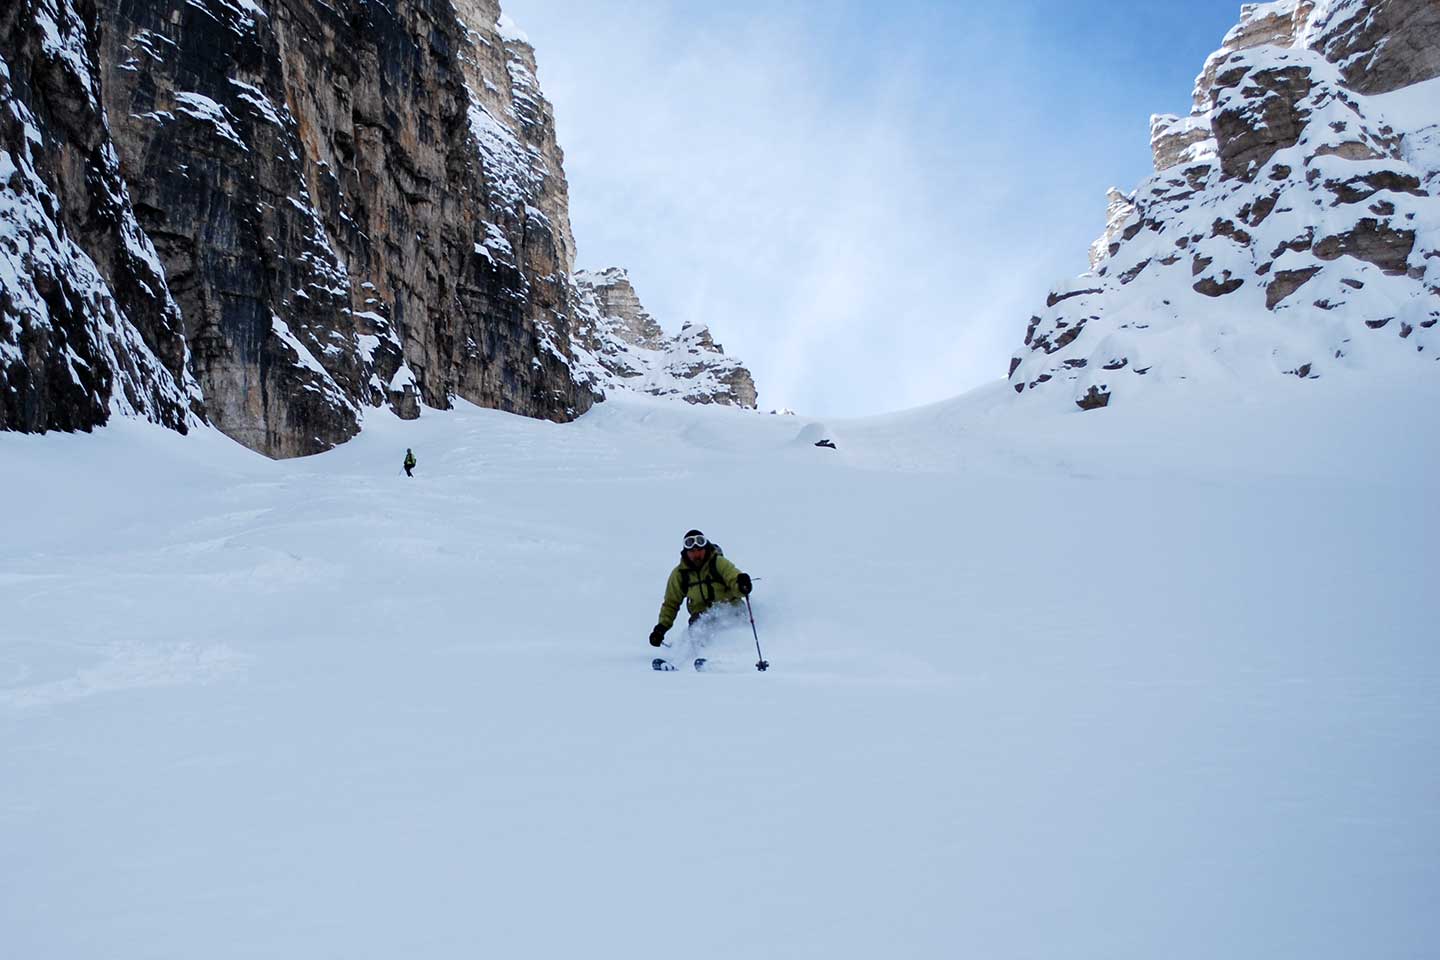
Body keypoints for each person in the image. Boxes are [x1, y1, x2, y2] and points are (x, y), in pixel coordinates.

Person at [649, 529, 753, 648]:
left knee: (732, 629)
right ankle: (696, 657)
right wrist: (661, 629)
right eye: (692, 551)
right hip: (702, 616)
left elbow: (733, 578)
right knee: (697, 628)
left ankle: (741, 651)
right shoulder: (680, 574)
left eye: (699, 550)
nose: (696, 554)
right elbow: (671, 603)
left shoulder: (718, 563)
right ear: (686, 552)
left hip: (730, 610)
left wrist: (742, 585)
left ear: (705, 549)